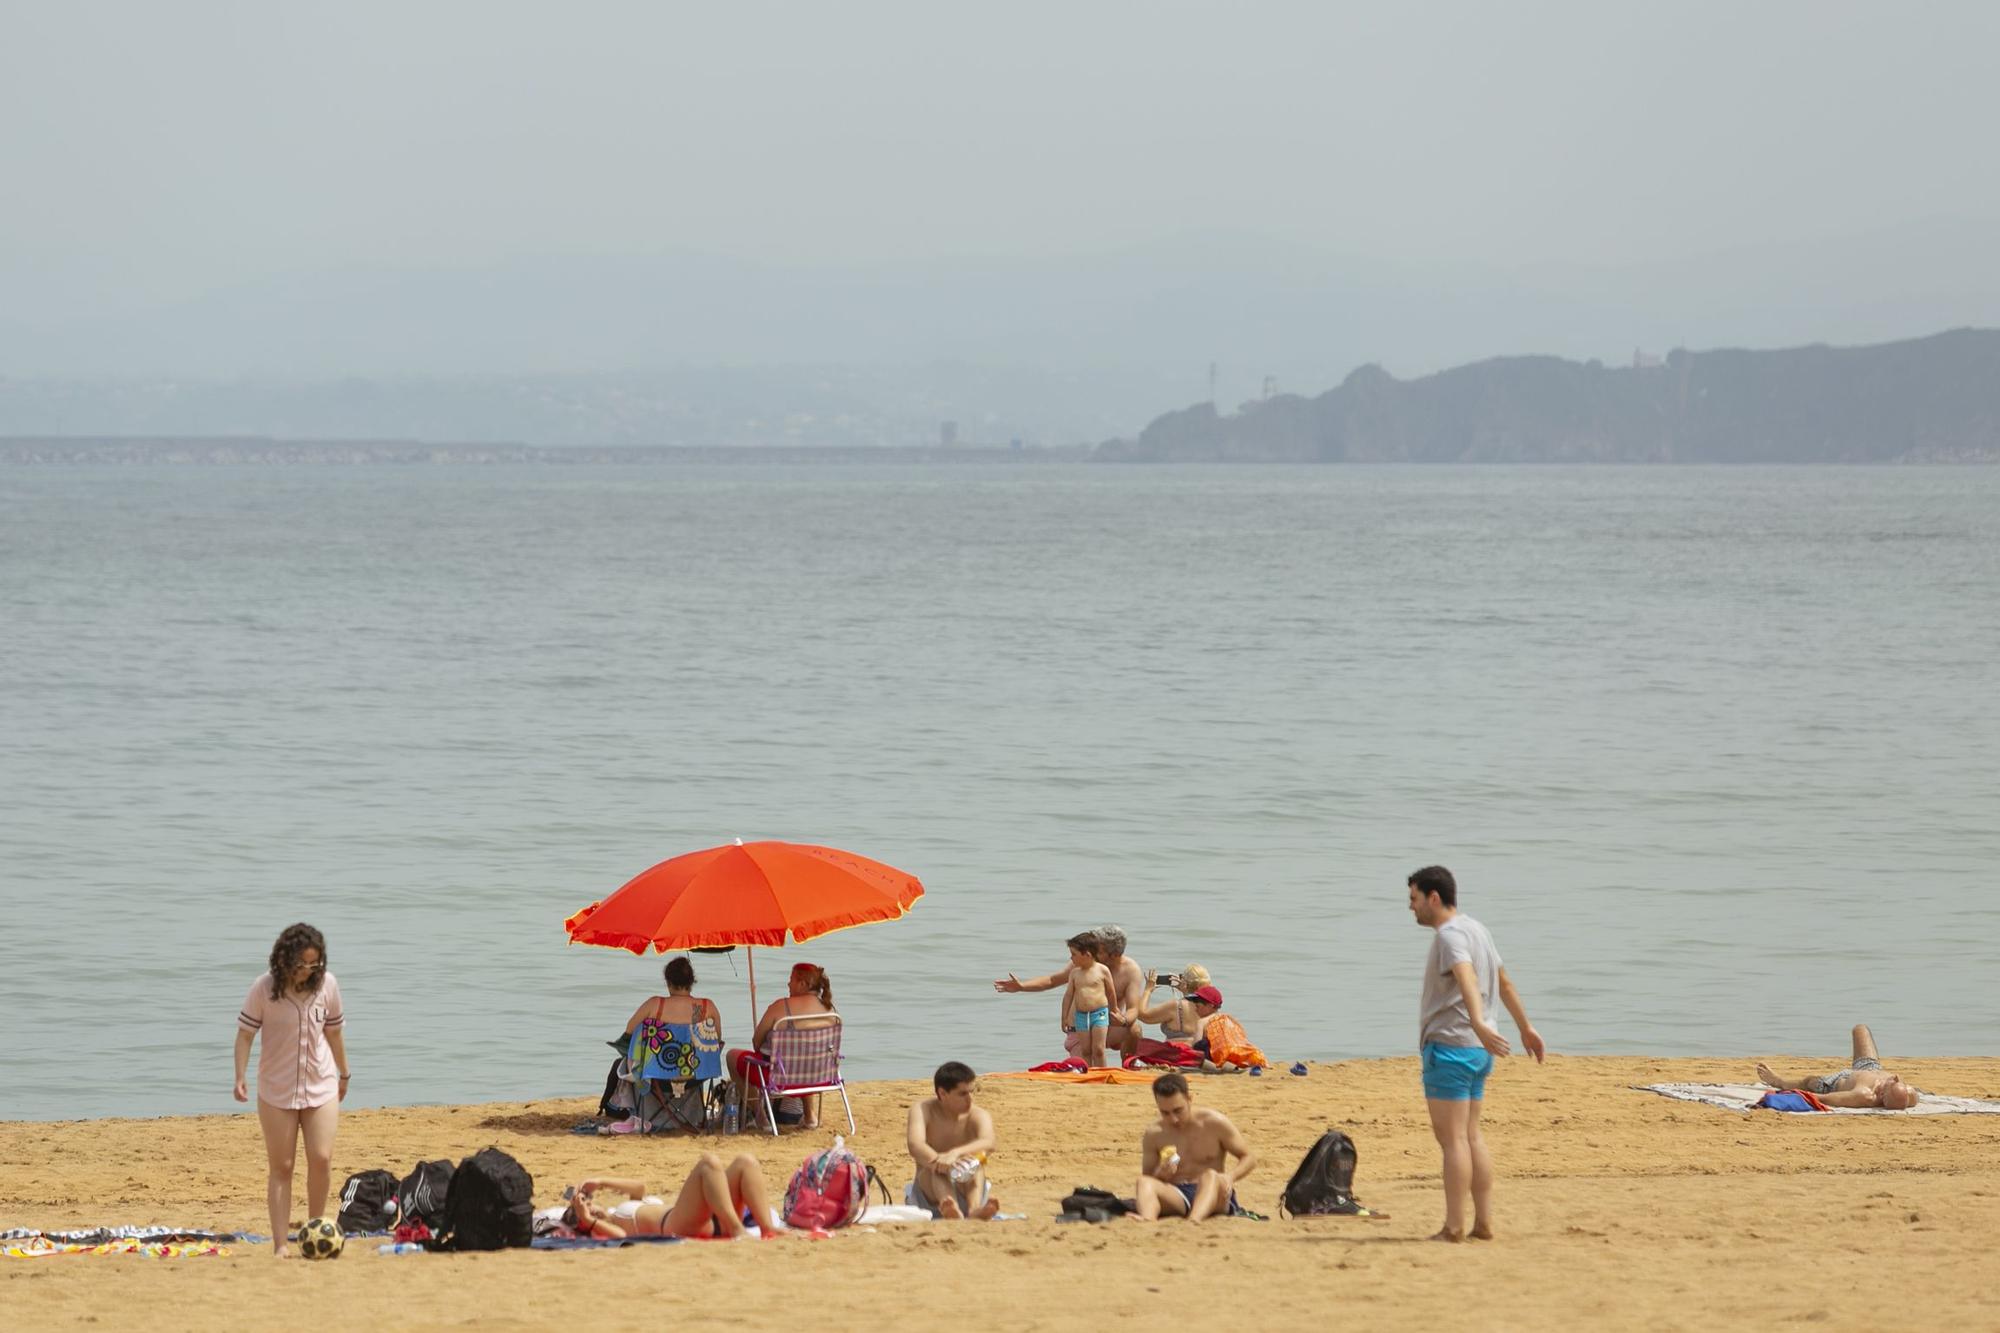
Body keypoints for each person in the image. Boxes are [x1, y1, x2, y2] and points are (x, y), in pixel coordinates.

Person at [1408, 865, 1545, 1244]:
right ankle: (1483, 1223)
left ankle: (1454, 1227)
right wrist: (1525, 1027)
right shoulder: (1478, 929)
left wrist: (1480, 1022)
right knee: (1471, 1137)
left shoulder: (1450, 935)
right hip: (1477, 1051)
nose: (1411, 908)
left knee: (1453, 1141)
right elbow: (1503, 981)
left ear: (1434, 898)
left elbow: (1467, 975)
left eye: (1414, 899)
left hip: (1452, 1047)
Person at [233, 923, 348, 1258]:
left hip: (321, 1083)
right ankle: (281, 1244)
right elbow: (245, 1035)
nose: (307, 972)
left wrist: (344, 1073)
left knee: (321, 1158)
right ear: (284, 959)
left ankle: (315, 1231)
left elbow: (335, 1034)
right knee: (282, 1166)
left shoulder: (328, 986)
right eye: (301, 965)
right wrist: (239, 1075)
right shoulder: (264, 989)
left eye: (314, 965)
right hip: (276, 1088)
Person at [603, 955, 724, 1135]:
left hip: (657, 1077)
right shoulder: (708, 1007)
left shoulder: (655, 1005)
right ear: (692, 981)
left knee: (627, 1060)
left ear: (668, 982)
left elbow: (629, 1031)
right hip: (694, 1076)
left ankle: (625, 1109)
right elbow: (717, 1042)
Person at [993, 926, 1145, 1064]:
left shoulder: (1130, 970)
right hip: (1081, 1029)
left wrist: (1123, 1021)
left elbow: (1133, 1009)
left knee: (1134, 1029)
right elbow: (1052, 980)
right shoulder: (1083, 961)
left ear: (1114, 954)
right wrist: (1022, 986)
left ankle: (1128, 1069)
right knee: (1083, 1067)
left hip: (1107, 1024)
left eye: (1098, 950)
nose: (1091, 952)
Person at [1128, 1072, 1256, 1223]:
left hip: (1215, 1192)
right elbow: (1149, 1178)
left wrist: (1230, 1177)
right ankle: (1148, 1219)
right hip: (1179, 1194)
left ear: (1190, 1099)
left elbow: (1249, 1157)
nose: (1173, 1119)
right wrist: (1161, 1173)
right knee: (1143, 1182)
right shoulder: (1154, 1134)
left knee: (1210, 1175)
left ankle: (1194, 1220)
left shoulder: (1214, 1123)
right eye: (1165, 1113)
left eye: (1178, 1111)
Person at [564, 1153, 779, 1239]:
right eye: (584, 1207)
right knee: (708, 1164)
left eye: (588, 1202)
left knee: (745, 1163)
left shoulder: (617, 1210)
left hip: (706, 1217)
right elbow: (621, 1238)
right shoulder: (609, 1227)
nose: (590, 1205)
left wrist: (601, 1181)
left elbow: (639, 1188)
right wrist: (588, 1219)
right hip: (678, 1224)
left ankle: (767, 1229)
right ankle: (737, 1230)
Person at [727, 962, 836, 1128]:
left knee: (732, 1056)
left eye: (791, 979)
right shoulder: (830, 1010)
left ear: (802, 984)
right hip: (820, 1077)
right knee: (805, 1060)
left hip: (780, 1079)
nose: (788, 983)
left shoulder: (781, 1007)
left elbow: (756, 1041)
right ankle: (809, 1116)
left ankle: (761, 1117)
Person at [905, 1061, 1000, 1219]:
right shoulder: (923, 1110)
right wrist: (941, 1161)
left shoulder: (978, 1114)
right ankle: (950, 1208)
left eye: (972, 1092)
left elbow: (989, 1142)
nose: (970, 1099)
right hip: (930, 1195)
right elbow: (915, 1144)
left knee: (975, 1164)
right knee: (936, 1169)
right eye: (962, 1094)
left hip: (968, 1187)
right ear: (942, 1094)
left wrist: (955, 1153)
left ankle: (974, 1209)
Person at [1755, 1025, 1919, 1109]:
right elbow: (1910, 1096)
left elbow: (1822, 1099)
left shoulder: (1864, 1095)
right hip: (1869, 1067)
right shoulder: (1907, 1092)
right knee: (1861, 1029)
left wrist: (1792, 1094)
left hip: (1837, 1082)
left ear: (1882, 1098)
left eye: (1883, 1095)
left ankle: (1780, 1081)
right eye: (1892, 1081)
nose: (1889, 1080)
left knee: (1810, 1081)